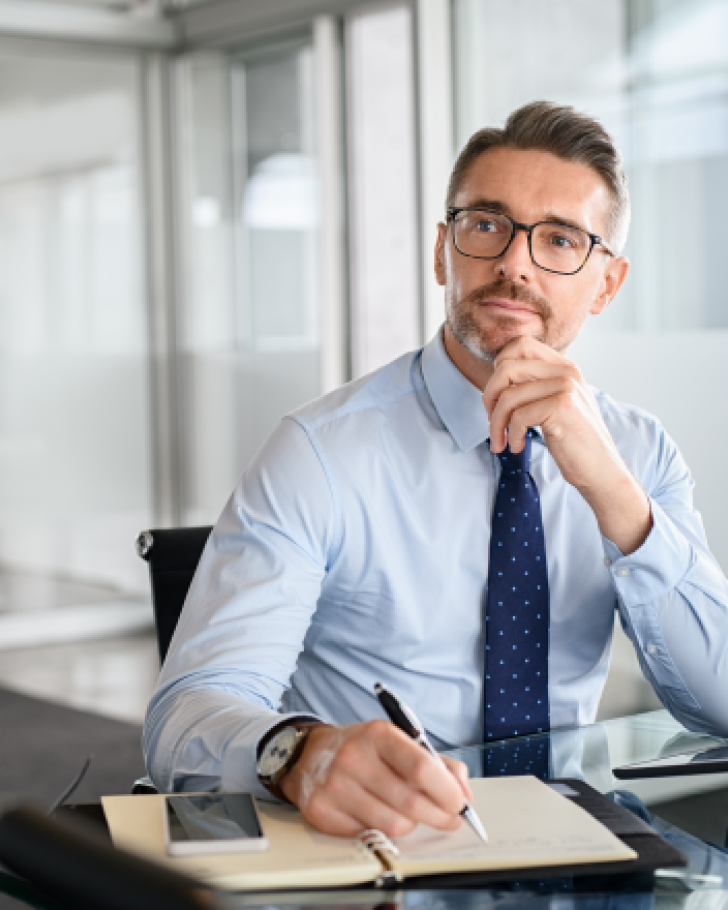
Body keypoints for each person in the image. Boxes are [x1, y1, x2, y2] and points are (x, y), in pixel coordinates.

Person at [144, 101, 728, 840]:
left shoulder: (640, 454)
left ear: (606, 285)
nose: (515, 262)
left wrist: (614, 495)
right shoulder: (319, 452)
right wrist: (302, 753)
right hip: (381, 854)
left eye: (559, 240)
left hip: (576, 847)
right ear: (441, 252)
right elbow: (189, 709)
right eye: (486, 225)